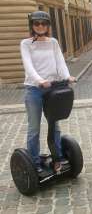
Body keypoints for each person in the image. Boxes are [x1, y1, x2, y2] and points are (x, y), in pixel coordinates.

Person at [20, 11, 75, 173]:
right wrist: (40, 81)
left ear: (48, 26)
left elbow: (60, 62)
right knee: (34, 128)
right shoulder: (26, 43)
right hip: (34, 89)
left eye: (43, 24)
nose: (40, 26)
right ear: (32, 25)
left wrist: (67, 76)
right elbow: (28, 66)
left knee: (55, 126)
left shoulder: (53, 42)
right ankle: (35, 162)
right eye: (37, 23)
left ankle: (57, 157)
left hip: (52, 89)